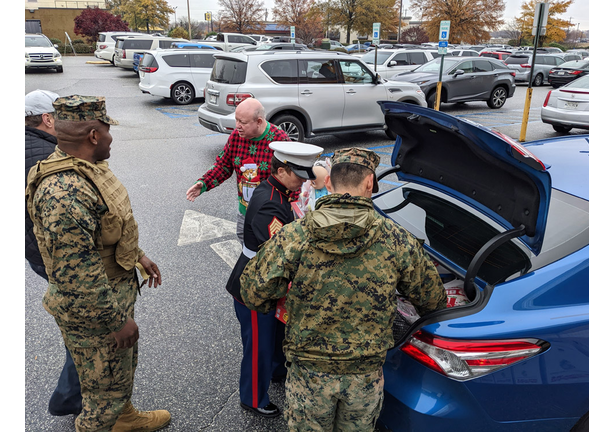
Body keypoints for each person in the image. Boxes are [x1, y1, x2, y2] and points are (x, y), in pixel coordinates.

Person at [240, 148, 447, 431]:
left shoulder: (295, 235)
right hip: (365, 375)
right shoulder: (398, 240)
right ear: (370, 183)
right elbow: (434, 301)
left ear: (328, 183)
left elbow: (253, 291)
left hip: (309, 372)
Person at [26, 95, 170, 432]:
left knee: (117, 376)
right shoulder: (65, 192)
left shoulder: (87, 169)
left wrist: (138, 255)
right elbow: (78, 276)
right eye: (107, 130)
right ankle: (108, 420)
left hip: (112, 293)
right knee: (100, 400)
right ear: (93, 135)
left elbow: (107, 227)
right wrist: (115, 321)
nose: (110, 137)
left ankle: (125, 416)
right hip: (96, 312)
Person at [225, 141, 324, 418]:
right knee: (259, 344)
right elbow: (283, 253)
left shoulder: (275, 191)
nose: (303, 183)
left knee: (275, 335)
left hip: (267, 280)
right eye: (299, 176)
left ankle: (277, 372)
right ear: (281, 171)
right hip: (256, 287)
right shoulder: (271, 203)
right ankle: (253, 397)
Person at [25, 89, 84, 417]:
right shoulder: (45, 158)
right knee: (86, 329)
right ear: (48, 119)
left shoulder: (28, 145)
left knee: (77, 325)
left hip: (36, 252)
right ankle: (71, 398)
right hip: (58, 258)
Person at [185, 98, 292, 242]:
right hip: (245, 211)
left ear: (259, 121)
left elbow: (292, 179)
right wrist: (204, 183)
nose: (237, 126)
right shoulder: (236, 136)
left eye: (243, 122)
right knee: (246, 247)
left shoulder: (279, 141)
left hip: (271, 214)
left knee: (270, 253)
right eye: (236, 120)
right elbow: (223, 165)